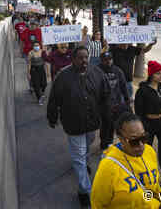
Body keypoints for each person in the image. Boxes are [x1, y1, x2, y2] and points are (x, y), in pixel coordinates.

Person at [47, 46, 111, 207]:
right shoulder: (63, 77)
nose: (84, 61)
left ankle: (84, 160)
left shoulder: (97, 73)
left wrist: (108, 114)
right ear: (73, 59)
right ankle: (85, 190)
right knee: (79, 156)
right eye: (80, 58)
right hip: (73, 124)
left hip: (91, 123)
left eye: (86, 57)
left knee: (86, 147)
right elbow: (54, 100)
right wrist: (52, 117)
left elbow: (105, 95)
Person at [91, 112, 161, 209]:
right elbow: (98, 203)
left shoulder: (149, 151)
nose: (141, 145)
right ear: (121, 139)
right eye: (134, 141)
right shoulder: (108, 167)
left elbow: (155, 184)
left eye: (143, 137)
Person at [134, 61, 161, 191]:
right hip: (148, 124)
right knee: (146, 150)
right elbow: (139, 111)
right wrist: (143, 127)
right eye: (158, 73)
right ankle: (143, 173)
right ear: (151, 74)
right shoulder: (143, 90)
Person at [98, 51, 131, 150]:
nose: (108, 62)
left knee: (112, 124)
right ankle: (104, 145)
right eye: (105, 60)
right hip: (103, 104)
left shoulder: (118, 71)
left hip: (116, 103)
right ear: (101, 61)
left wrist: (126, 99)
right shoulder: (97, 71)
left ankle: (110, 142)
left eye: (110, 59)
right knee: (105, 124)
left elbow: (123, 86)